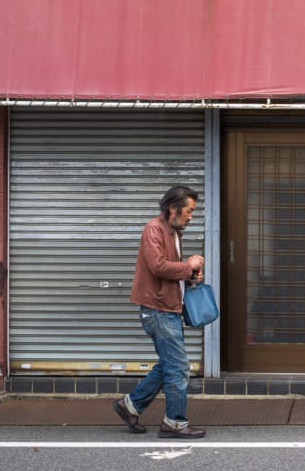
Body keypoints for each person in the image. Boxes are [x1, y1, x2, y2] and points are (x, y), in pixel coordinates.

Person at [113, 185, 206, 439]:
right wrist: (188, 266)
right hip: (157, 310)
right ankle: (174, 423)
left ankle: (130, 405)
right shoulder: (154, 229)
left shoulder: (173, 232)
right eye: (189, 210)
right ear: (173, 209)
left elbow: (170, 271)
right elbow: (157, 266)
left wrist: (189, 277)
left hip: (168, 308)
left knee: (170, 365)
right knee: (178, 367)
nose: (191, 216)